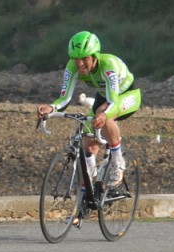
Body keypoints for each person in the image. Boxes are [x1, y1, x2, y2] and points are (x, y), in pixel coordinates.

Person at [36, 31, 142, 187]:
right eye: (75, 58)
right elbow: (65, 98)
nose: (80, 64)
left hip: (125, 95)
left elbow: (112, 101)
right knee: (88, 143)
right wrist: (51, 108)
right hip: (103, 95)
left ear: (94, 56)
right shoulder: (72, 67)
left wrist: (104, 115)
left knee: (103, 115)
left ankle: (118, 162)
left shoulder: (108, 65)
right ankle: (87, 198)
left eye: (85, 58)